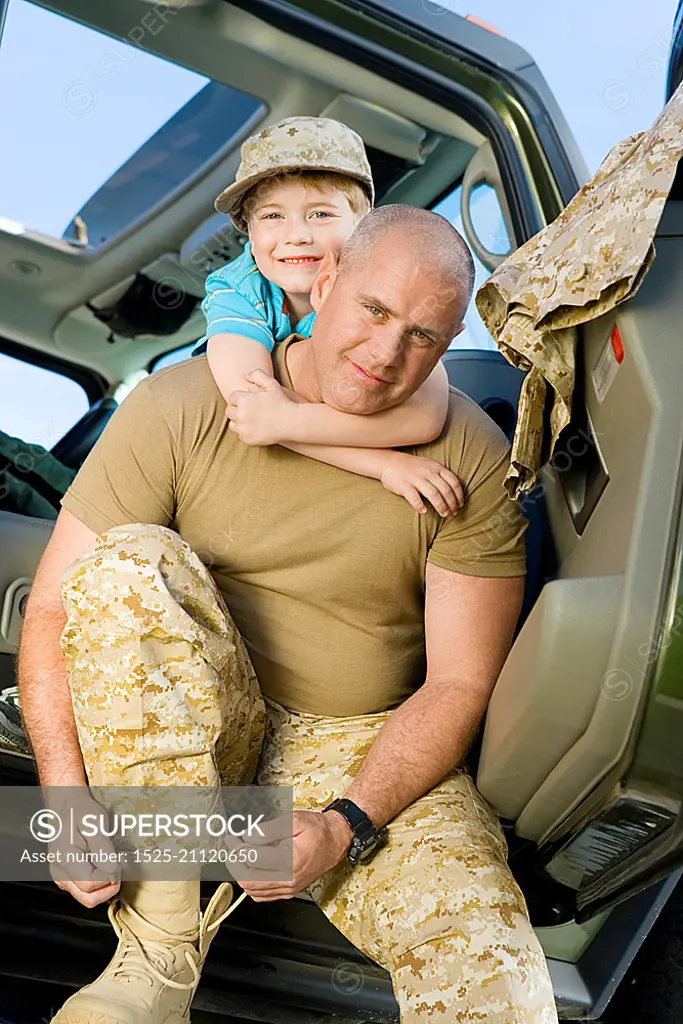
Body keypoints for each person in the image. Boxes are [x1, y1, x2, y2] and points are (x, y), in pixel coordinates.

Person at [18, 203, 558, 1023]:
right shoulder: (184, 403)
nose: (386, 354)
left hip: (356, 746)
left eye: (423, 337)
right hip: (182, 749)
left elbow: (457, 682)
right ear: (328, 278)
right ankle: (160, 949)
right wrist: (61, 803)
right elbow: (55, 605)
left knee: (492, 963)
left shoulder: (466, 457)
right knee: (127, 564)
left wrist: (345, 824)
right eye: (375, 310)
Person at [194, 115, 464, 517]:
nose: (297, 234)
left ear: (362, 224)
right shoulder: (237, 291)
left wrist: (291, 419)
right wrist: (384, 464)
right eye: (272, 216)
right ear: (249, 232)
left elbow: (425, 416)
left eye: (320, 214)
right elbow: (254, 412)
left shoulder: (380, 304)